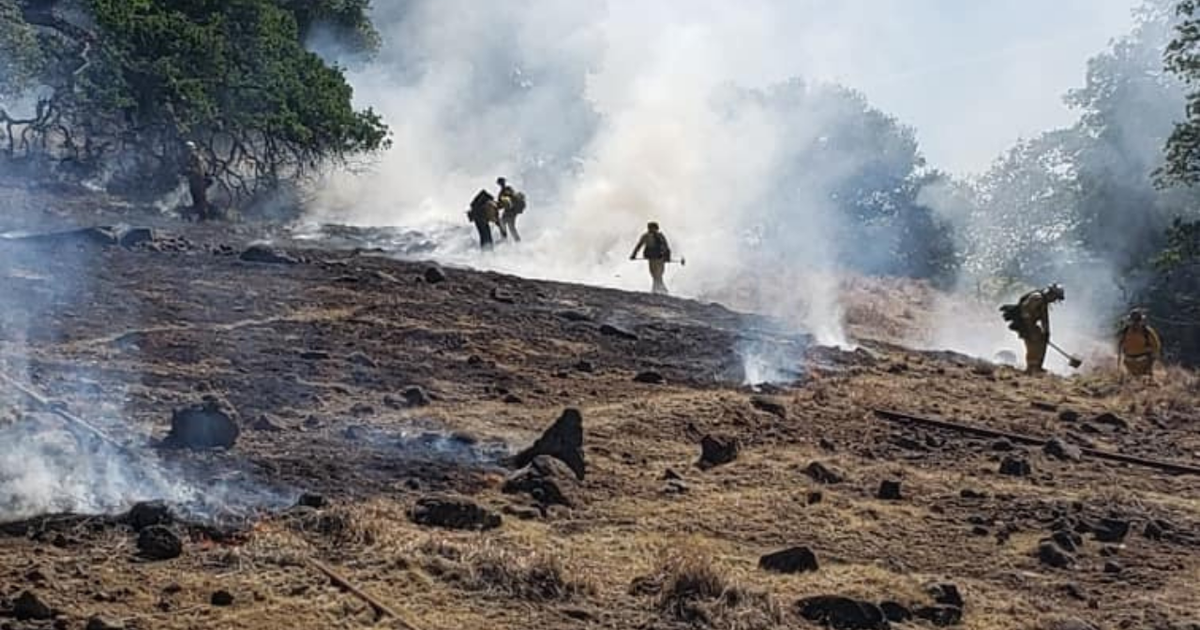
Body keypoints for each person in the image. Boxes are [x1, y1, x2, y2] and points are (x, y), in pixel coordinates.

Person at [1001, 283, 1065, 375]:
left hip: (1031, 324)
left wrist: (1046, 333)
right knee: (1033, 343)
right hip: (1024, 324)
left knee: (1041, 340)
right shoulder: (1037, 298)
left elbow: (1044, 319)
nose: (1054, 300)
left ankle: (1038, 367)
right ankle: (1031, 368)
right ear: (1051, 294)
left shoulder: (1044, 301)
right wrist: (1031, 329)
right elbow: (1025, 312)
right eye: (1055, 298)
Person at [1117, 308, 1162, 378]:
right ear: (1141, 320)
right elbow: (1156, 346)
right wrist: (1155, 357)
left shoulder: (1125, 331)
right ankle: (1149, 376)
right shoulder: (1147, 331)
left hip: (1129, 363)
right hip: (1144, 362)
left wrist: (1119, 363)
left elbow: (1119, 346)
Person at [630, 221, 671, 295]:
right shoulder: (648, 236)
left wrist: (667, 257)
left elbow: (666, 247)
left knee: (657, 274)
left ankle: (657, 289)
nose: (651, 229)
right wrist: (633, 254)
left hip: (658, 258)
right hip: (654, 258)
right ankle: (660, 289)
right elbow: (639, 245)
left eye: (652, 228)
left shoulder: (657, 236)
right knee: (655, 274)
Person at [183, 141, 212, 221]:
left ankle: (204, 218)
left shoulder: (195, 157)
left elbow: (199, 170)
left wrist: (188, 171)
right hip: (196, 181)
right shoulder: (196, 156)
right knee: (198, 200)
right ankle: (201, 218)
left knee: (200, 200)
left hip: (198, 181)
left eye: (188, 148)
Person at [495, 177, 522, 242]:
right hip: (509, 211)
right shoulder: (506, 190)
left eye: (501, 183)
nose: (501, 184)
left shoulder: (506, 190)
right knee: (507, 225)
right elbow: (501, 204)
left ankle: (508, 240)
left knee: (506, 225)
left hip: (510, 211)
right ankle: (515, 240)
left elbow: (502, 203)